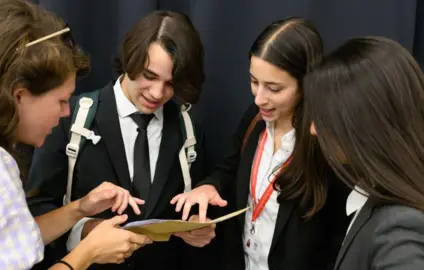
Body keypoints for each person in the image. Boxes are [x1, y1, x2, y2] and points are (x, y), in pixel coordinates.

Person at [0, 0, 153, 269]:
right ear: (19, 95)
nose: (66, 112)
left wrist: (79, 208)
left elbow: (5, 242)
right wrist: (88, 252)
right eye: (61, 101)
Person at [27, 10, 216, 270]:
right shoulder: (69, 117)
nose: (158, 93)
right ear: (130, 59)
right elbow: (35, 211)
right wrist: (87, 231)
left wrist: (197, 222)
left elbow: (196, 195)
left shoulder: (188, 126)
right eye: (149, 76)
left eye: (171, 84)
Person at [171, 17, 351, 270]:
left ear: (306, 83)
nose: (259, 98)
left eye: (274, 88)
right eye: (254, 82)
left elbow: (339, 239)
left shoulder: (327, 142)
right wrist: (209, 186)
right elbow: (230, 168)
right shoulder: (255, 119)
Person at [305, 36, 424, 270]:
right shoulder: (380, 189)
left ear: (362, 124)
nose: (312, 129)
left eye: (323, 118)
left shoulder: (400, 227)